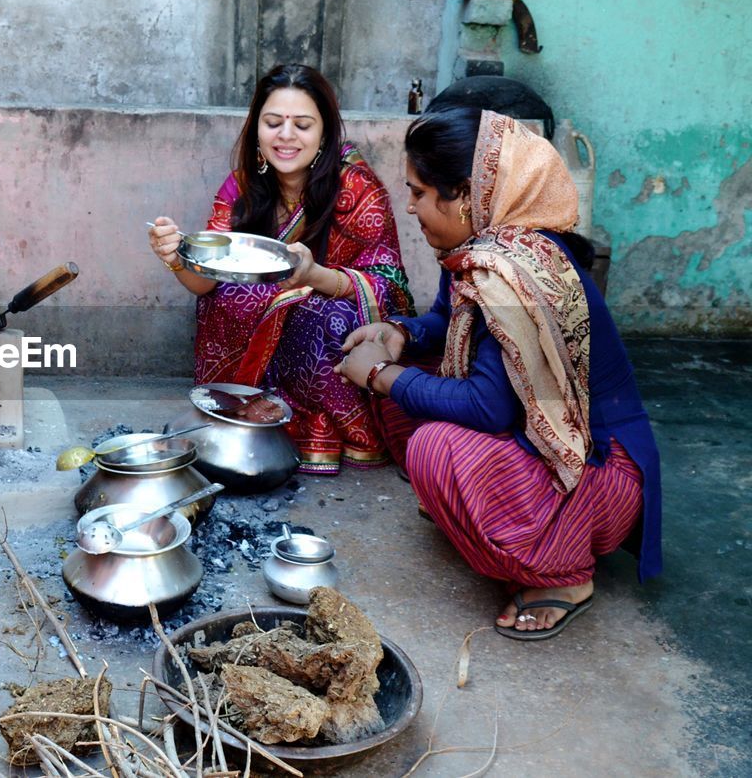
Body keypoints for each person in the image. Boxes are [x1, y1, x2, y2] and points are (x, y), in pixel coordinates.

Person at [336, 108, 661, 640]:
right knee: (397, 364)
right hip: (542, 441)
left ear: (464, 195)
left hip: (595, 471)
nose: (411, 206)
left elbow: (490, 406)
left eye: (419, 192)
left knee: (435, 445)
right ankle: (485, 510)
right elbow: (450, 320)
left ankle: (564, 573)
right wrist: (402, 333)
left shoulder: (513, 271)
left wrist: (378, 377)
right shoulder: (482, 248)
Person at [148, 64, 413, 473]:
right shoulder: (241, 186)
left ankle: (326, 427)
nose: (286, 136)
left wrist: (311, 277)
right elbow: (207, 281)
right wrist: (176, 257)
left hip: (334, 312)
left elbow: (387, 285)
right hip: (267, 325)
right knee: (235, 295)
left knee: (323, 314)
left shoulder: (357, 189)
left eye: (302, 125)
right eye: (273, 123)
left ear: (324, 133)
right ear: (257, 129)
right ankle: (241, 410)